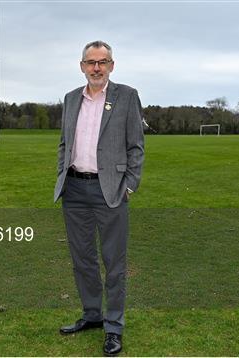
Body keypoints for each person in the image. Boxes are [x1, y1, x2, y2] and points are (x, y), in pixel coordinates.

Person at [53, 40, 144, 356]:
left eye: (102, 62)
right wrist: (62, 176)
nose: (96, 68)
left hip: (111, 191)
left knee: (114, 263)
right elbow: (65, 143)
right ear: (81, 66)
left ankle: (114, 327)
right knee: (83, 259)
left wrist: (129, 185)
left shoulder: (127, 97)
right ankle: (92, 315)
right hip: (75, 190)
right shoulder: (69, 99)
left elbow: (136, 146)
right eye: (90, 62)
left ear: (112, 65)